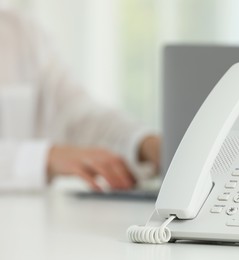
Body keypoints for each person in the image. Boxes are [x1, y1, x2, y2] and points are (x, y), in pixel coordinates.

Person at [0, 10, 160, 191]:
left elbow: (78, 114)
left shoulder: (20, 32)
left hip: (29, 214)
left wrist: (143, 143)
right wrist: (46, 157)